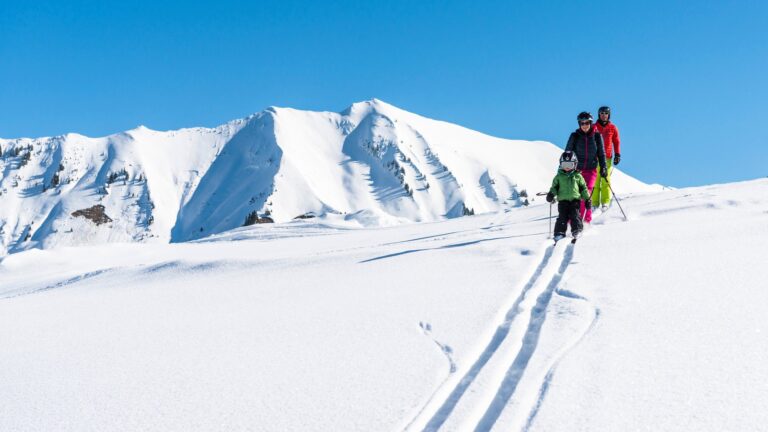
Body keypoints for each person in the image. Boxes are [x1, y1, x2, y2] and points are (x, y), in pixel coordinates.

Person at [565, 112, 606, 223]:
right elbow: (568, 153)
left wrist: (603, 167)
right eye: (582, 123)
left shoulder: (597, 136)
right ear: (579, 124)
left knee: (585, 195)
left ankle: (586, 221)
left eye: (587, 123)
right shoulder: (575, 136)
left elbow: (601, 154)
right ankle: (571, 221)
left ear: (590, 123)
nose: (585, 125)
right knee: (574, 196)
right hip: (577, 171)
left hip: (591, 170)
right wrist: (566, 169)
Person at [546, 151, 591, 240]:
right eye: (564, 165)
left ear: (574, 164)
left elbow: (583, 188)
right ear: (560, 164)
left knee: (575, 215)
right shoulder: (558, 177)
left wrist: (587, 199)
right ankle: (559, 232)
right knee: (562, 217)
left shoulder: (578, 176)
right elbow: (554, 187)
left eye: (569, 165)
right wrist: (551, 194)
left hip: (575, 201)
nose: (567, 167)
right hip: (563, 201)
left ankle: (577, 230)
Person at [592, 106, 621, 211]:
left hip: (607, 158)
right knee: (595, 181)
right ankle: (594, 203)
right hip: (595, 158)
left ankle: (605, 202)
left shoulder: (613, 127)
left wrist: (617, 154)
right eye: (602, 113)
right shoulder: (593, 127)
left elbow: (616, 141)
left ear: (609, 115)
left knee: (605, 179)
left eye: (606, 113)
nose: (604, 115)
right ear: (599, 114)